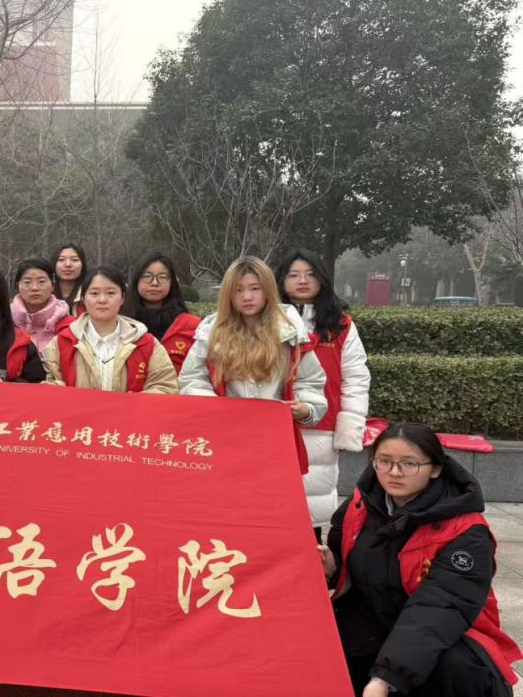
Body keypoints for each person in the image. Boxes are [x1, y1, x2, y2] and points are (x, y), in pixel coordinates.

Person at [321, 422, 522, 697]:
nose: (394, 472)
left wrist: (385, 678)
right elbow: (348, 567)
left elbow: (439, 606)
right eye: (384, 461)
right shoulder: (358, 506)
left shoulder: (467, 531)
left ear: (435, 469)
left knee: (456, 667)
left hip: (441, 631)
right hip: (370, 624)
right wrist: (331, 567)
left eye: (409, 463)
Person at [276, 249, 370, 539]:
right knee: (273, 503)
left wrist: (349, 428)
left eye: (310, 274)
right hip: (273, 423)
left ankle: (312, 558)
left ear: (322, 279)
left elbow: (355, 378)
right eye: (293, 275)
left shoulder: (340, 325)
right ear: (280, 281)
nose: (302, 281)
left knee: (312, 502)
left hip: (321, 425)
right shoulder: (265, 319)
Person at [178, 255, 327, 428]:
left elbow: (310, 381)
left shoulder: (290, 333)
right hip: (225, 427)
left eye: (255, 288)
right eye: (238, 290)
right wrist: (213, 405)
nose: (247, 297)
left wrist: (306, 408)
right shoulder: (210, 333)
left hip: (274, 429)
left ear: (268, 290)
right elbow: (192, 379)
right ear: (228, 294)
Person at [42, 266, 178, 394]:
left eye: (111, 293)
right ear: (83, 298)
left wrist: (133, 403)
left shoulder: (146, 343)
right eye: (94, 293)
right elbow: (51, 388)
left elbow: (165, 387)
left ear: (122, 298)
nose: (102, 300)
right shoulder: (61, 343)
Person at [122, 251, 202, 373]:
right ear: (136, 280)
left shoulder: (192, 326)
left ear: (172, 283)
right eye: (147, 276)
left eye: (163, 277)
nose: (154, 283)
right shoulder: (120, 323)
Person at [11, 257, 73, 353]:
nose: (34, 288)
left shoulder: (69, 325)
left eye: (41, 282)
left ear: (52, 285)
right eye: (27, 282)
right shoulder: (6, 320)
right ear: (18, 286)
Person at [52, 243, 87, 316]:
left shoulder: (89, 294)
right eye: (61, 260)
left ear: (83, 265)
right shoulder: (45, 294)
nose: (68, 264)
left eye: (74, 260)